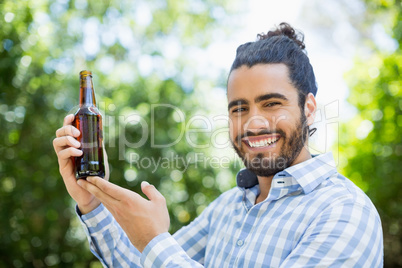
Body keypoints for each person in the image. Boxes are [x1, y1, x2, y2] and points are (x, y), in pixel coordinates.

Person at [53, 23, 383, 267]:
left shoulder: (344, 213)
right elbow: (144, 263)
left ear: (308, 109)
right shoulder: (229, 207)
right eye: (239, 108)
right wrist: (91, 198)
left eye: (271, 104)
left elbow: (157, 253)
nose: (253, 123)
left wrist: (156, 240)